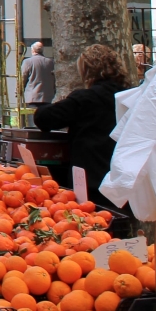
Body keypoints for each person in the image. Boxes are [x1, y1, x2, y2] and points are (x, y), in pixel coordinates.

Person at [33, 44, 132, 205]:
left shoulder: (85, 99)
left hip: (91, 180)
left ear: (85, 71)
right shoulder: (131, 97)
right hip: (125, 181)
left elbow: (44, 117)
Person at [21, 41, 56, 118]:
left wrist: (18, 91)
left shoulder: (28, 62)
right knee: (45, 119)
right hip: (47, 96)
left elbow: (22, 78)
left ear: (32, 50)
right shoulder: (50, 62)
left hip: (33, 96)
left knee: (33, 120)